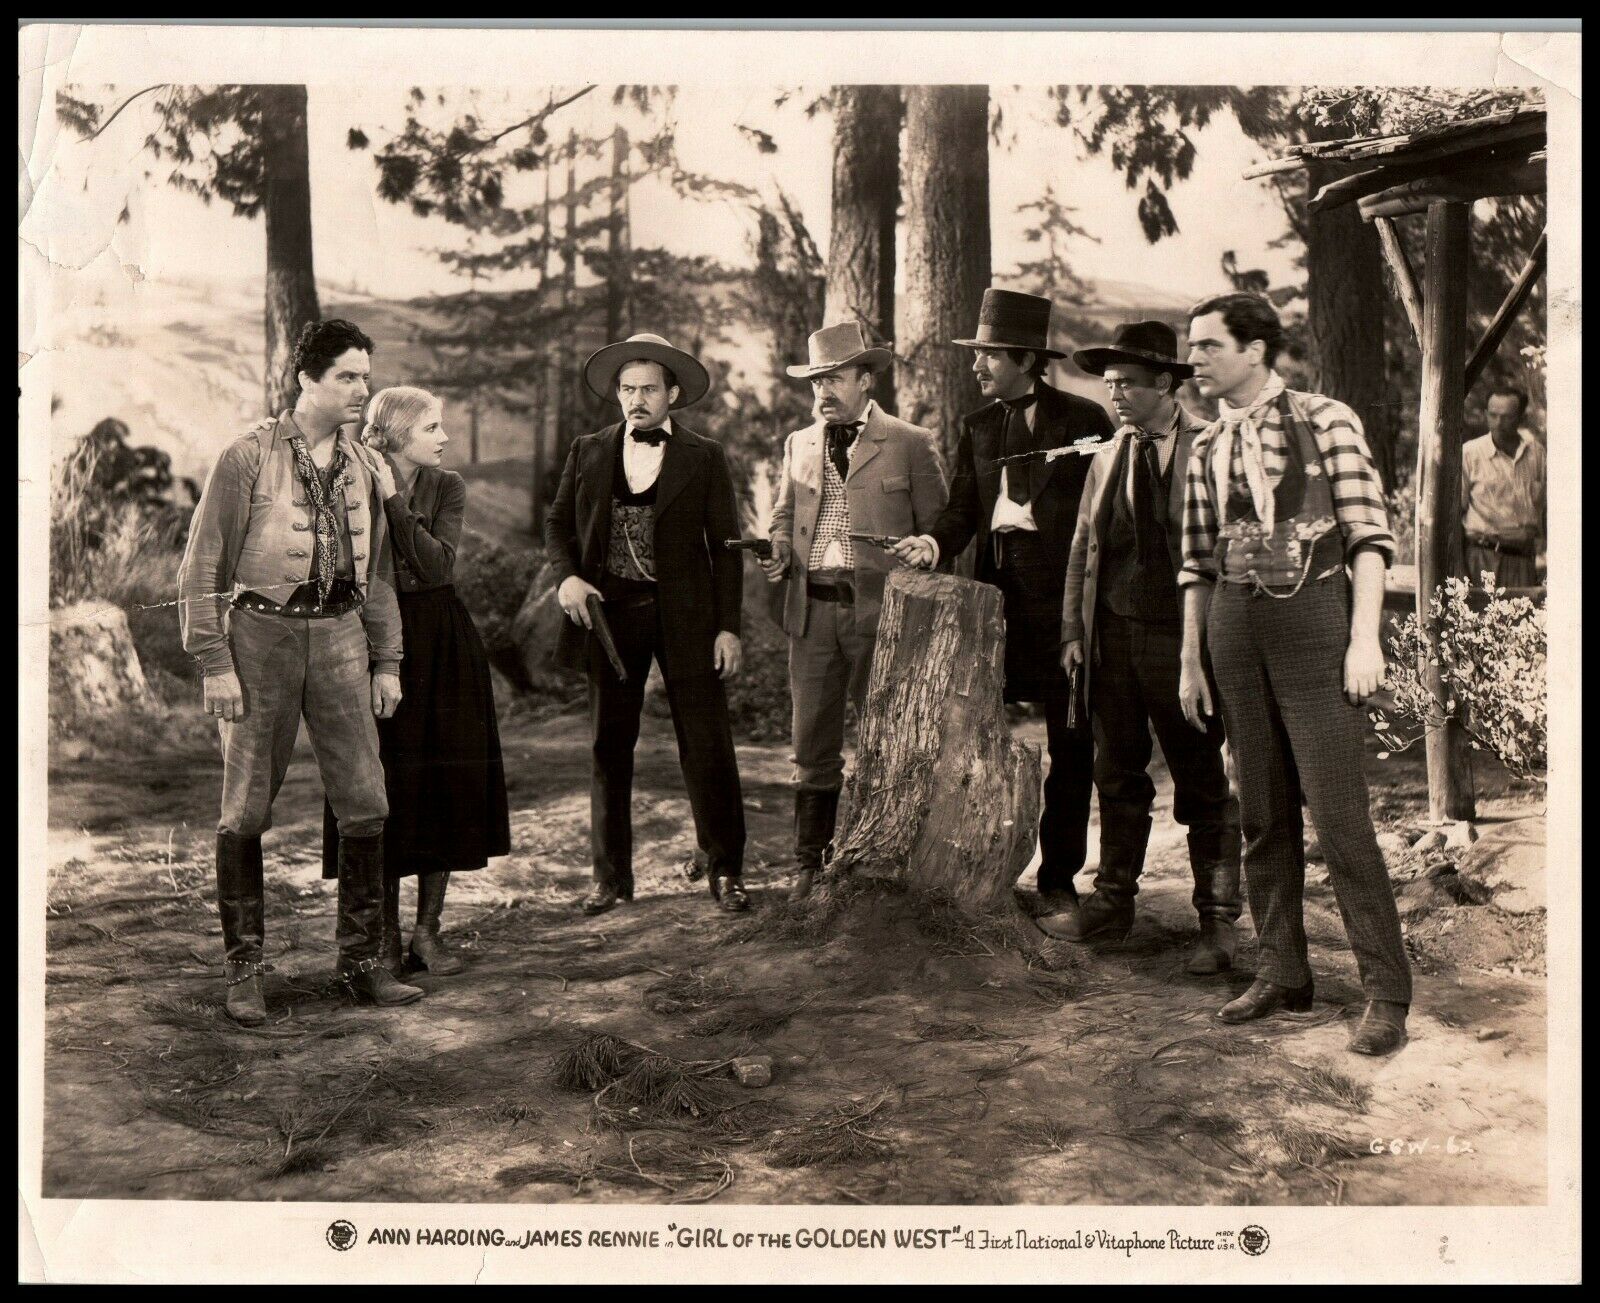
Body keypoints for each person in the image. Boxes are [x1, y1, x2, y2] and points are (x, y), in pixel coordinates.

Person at [1176, 292, 1410, 1057]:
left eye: (1209, 345)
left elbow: (1369, 536)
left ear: (1254, 350)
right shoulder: (1206, 443)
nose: (1196, 358)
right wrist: (1192, 659)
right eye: (1193, 346)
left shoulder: (1326, 418)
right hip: (1234, 628)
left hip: (1316, 622)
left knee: (1340, 815)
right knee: (1262, 810)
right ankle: (1283, 968)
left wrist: (1363, 639)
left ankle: (1386, 991)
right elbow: (1196, 563)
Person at [177, 318, 421, 1023]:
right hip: (262, 638)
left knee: (366, 798)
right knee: (247, 804)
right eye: (346, 376)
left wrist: (387, 660)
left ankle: (362, 962)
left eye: (365, 378)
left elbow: (375, 574)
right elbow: (202, 565)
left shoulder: (365, 464)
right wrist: (213, 662)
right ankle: (245, 972)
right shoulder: (248, 456)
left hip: (343, 634)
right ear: (305, 378)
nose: (360, 390)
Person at [893, 288, 1115, 914]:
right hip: (994, 606)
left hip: (1066, 605)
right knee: (978, 737)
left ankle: (1058, 881)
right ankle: (977, 872)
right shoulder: (979, 426)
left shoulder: (1085, 420)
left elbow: (1102, 516)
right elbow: (963, 507)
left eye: (987, 354)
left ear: (1023, 356)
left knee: (1070, 747)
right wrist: (934, 543)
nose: (976, 366)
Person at [545, 333, 749, 915]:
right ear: (617, 393)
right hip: (609, 616)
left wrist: (727, 627)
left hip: (687, 618)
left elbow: (728, 548)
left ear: (673, 394)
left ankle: (726, 871)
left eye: (649, 390)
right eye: (628, 389)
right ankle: (610, 879)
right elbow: (558, 524)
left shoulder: (705, 456)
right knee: (608, 743)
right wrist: (566, 578)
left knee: (705, 743)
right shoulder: (587, 449)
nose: (637, 400)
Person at [1060, 322, 1242, 972]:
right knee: (1117, 770)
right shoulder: (1109, 456)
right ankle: (1113, 901)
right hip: (1113, 637)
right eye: (1110, 385)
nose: (1117, 396)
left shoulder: (1212, 447)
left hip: (1185, 640)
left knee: (1201, 778)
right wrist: (1074, 634)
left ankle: (1218, 922)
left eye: (1129, 383)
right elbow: (1085, 547)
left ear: (1166, 383)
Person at [320, 386, 511, 977]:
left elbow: (435, 566)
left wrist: (395, 498)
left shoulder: (446, 486)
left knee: (445, 786)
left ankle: (428, 934)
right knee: (383, 785)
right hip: (370, 639)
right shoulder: (344, 481)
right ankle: (385, 936)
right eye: (432, 428)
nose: (444, 438)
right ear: (397, 433)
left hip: (442, 640)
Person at [763, 321, 948, 899]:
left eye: (836, 378)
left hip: (884, 617)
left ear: (866, 380)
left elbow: (941, 528)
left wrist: (925, 554)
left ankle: (879, 859)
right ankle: (807, 865)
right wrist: (775, 551)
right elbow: (780, 516)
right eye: (816, 379)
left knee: (886, 735)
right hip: (812, 612)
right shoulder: (800, 443)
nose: (824, 390)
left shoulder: (911, 443)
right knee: (810, 742)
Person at [1461, 386, 1547, 588]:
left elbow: (1546, 511)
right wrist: (1460, 568)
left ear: (1520, 418)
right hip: (1482, 558)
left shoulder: (1537, 453)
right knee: (1480, 618)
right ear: (1486, 415)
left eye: (1507, 417)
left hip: (1525, 560)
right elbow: (1455, 515)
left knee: (1524, 618)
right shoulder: (1470, 453)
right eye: (1493, 415)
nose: (1498, 423)